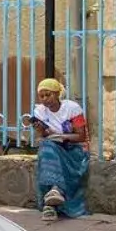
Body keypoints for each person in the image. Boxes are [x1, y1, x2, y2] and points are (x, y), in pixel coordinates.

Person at [28, 78, 90, 220]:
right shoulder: (40, 111)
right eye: (41, 96)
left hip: (73, 149)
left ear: (57, 94)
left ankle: (51, 201)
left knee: (48, 149)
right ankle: (54, 192)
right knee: (46, 147)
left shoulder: (72, 108)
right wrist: (41, 131)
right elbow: (45, 135)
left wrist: (62, 136)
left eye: (48, 95)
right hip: (54, 147)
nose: (45, 99)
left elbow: (81, 136)